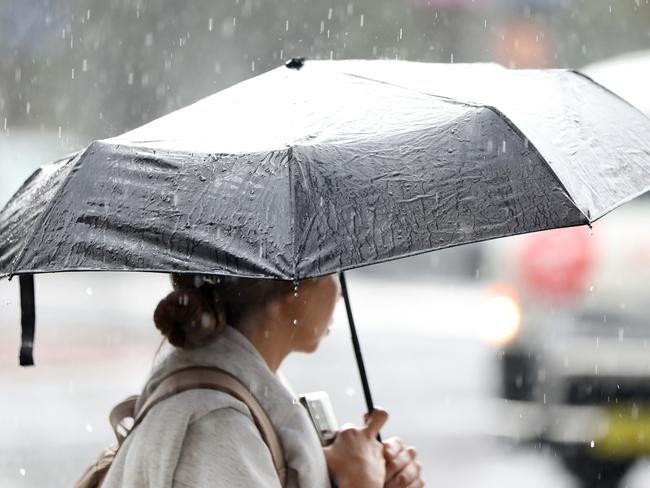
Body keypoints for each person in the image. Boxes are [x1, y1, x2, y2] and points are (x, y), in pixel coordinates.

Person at [102, 273, 424, 488]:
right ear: (282, 294)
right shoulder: (212, 429)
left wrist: (351, 471)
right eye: (328, 270)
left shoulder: (243, 405)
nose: (339, 293)